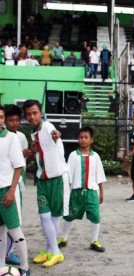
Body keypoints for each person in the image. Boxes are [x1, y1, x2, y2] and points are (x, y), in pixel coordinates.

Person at [23, 100, 67, 268]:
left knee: (54, 216)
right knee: (44, 215)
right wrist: (32, 150)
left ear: (40, 113)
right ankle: (52, 250)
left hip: (57, 178)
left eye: (35, 113)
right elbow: (38, 153)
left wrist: (56, 134)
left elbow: (54, 132)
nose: (32, 116)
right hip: (42, 180)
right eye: (28, 114)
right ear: (25, 116)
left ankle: (54, 251)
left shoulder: (47, 125)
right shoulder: (33, 134)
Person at [57, 127, 106, 252]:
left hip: (92, 193)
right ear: (78, 139)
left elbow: (99, 175)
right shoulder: (73, 156)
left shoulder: (95, 156)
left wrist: (101, 192)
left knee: (95, 216)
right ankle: (63, 238)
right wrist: (66, 192)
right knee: (69, 216)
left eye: (86, 137)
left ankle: (94, 240)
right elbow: (69, 176)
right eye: (81, 137)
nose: (83, 140)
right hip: (76, 193)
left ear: (91, 140)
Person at [0, 105, 30, 276]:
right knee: (1, 230)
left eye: (2, 117)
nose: (0, 120)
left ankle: (25, 267)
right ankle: (1, 264)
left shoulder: (11, 138)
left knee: (14, 229)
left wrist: (11, 191)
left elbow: (19, 166)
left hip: (6, 190)